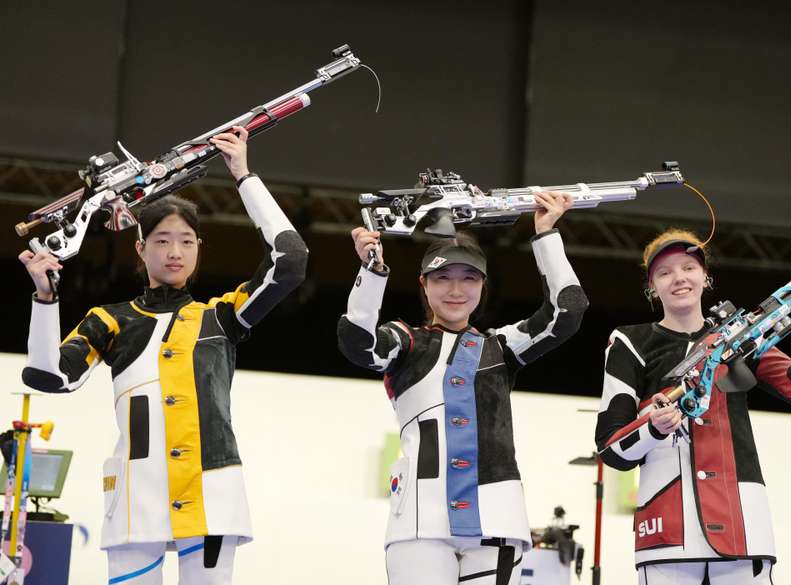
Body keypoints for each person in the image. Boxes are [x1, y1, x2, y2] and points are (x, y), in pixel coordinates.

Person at [19, 126, 307, 584]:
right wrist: (44, 299)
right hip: (137, 494)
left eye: (187, 241)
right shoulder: (109, 319)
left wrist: (244, 175)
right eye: (162, 240)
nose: (175, 251)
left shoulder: (222, 316)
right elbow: (47, 377)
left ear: (198, 250)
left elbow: (290, 262)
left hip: (212, 489)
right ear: (140, 247)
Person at [337, 191, 588, 585]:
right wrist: (371, 272)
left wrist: (545, 234)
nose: (456, 290)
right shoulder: (406, 341)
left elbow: (567, 311)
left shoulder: (501, 348)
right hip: (420, 522)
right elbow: (358, 343)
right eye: (443, 278)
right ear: (423, 284)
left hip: (497, 519)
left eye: (468, 278)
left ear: (483, 285)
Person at [594, 228, 791, 584]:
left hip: (745, 528)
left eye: (689, 267)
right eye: (665, 272)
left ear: (706, 276)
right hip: (669, 532)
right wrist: (653, 427)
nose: (679, 278)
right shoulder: (629, 342)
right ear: (652, 286)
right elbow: (610, 448)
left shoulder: (737, 339)